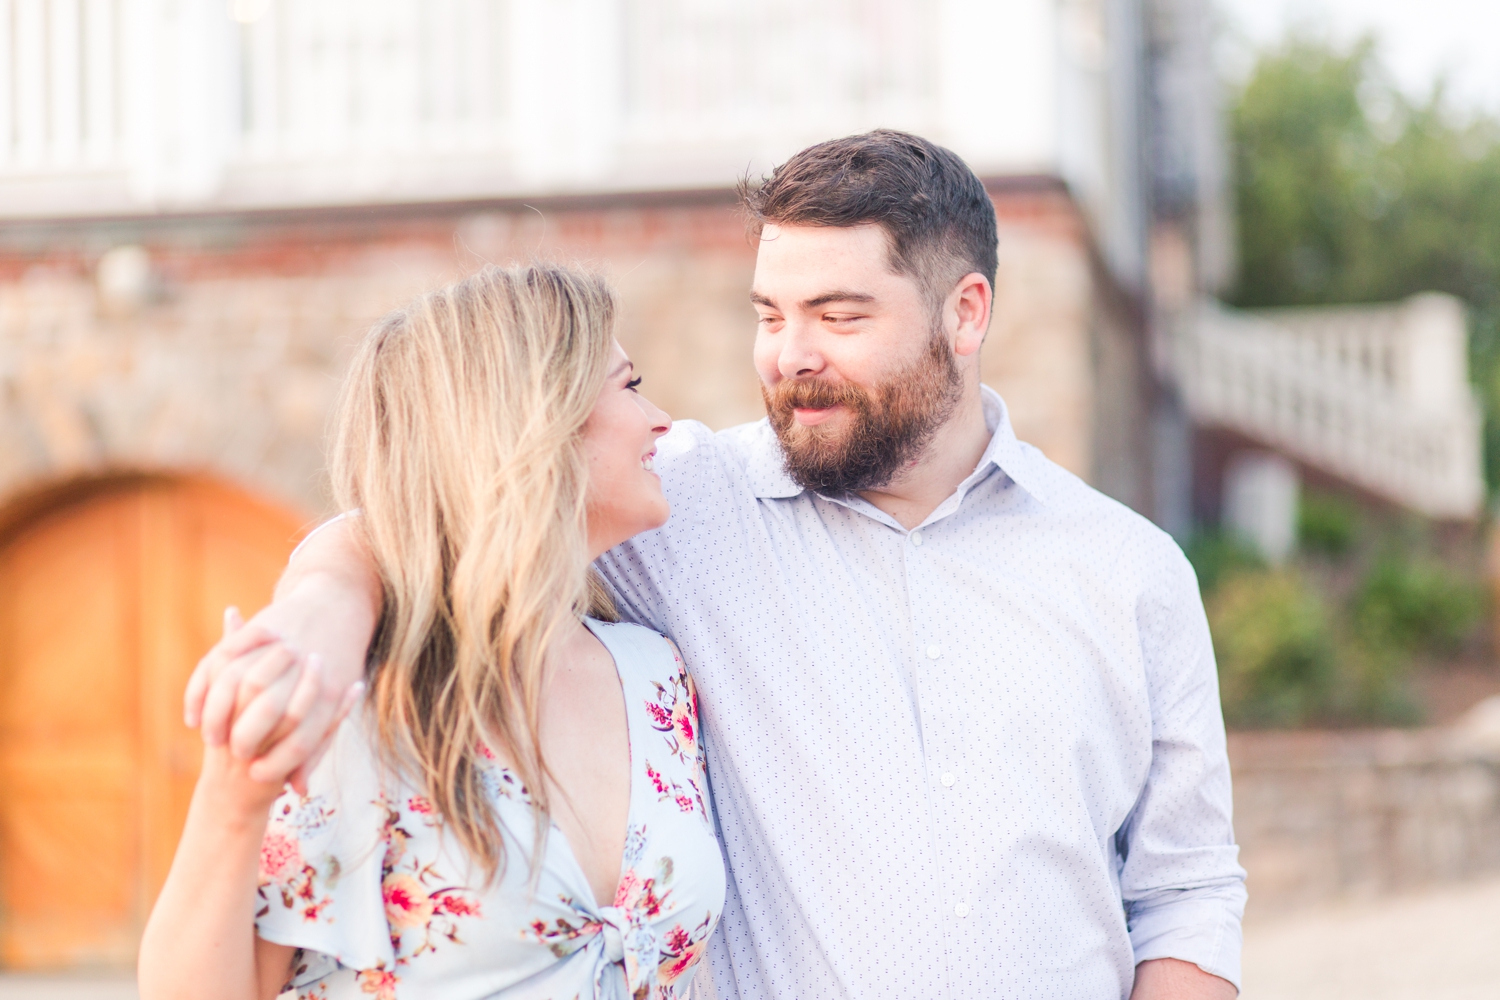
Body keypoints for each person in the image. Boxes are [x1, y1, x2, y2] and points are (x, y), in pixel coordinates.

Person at [186, 131, 1246, 999]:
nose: (789, 355)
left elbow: (1188, 889)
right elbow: (453, 508)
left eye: (838, 316)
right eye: (769, 315)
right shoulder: (682, 504)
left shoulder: (1129, 571)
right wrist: (322, 606)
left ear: (965, 314)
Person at [140, 265, 724, 1000]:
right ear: (537, 419)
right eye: (631, 386)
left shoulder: (655, 674)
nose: (663, 420)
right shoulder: (363, 692)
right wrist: (234, 795)